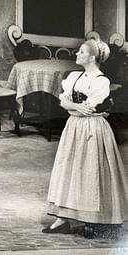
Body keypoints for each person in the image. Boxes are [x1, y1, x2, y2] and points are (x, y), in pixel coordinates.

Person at [42, 39, 128, 238]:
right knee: (68, 170)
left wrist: (77, 107)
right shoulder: (74, 76)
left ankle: (97, 220)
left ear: (92, 57)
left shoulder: (100, 81)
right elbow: (62, 100)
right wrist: (76, 107)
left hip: (92, 128)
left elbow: (89, 106)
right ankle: (62, 219)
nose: (77, 54)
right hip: (74, 126)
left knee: (91, 172)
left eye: (81, 52)